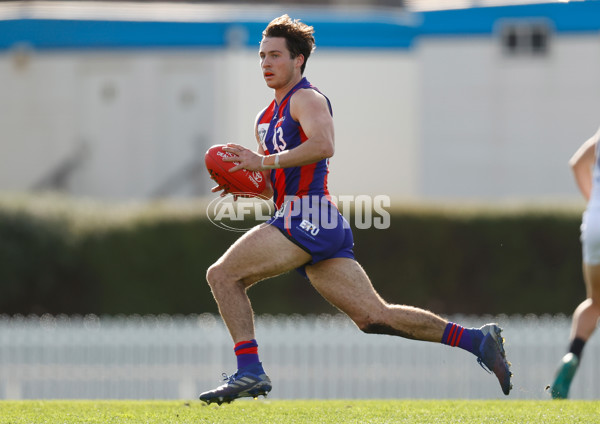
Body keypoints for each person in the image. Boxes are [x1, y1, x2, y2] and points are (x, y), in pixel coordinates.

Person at [199, 14, 512, 405]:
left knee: (223, 275)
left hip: (310, 215)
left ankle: (249, 371)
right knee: (373, 318)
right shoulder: (266, 118)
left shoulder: (306, 98)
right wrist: (249, 186)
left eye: (275, 55)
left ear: (299, 60)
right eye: (262, 55)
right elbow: (281, 180)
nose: (265, 63)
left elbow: (324, 145)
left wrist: (261, 163)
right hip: (305, 217)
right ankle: (478, 341)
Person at [550, 125, 600, 399]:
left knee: (595, 302)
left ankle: (572, 355)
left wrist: (594, 202)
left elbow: (577, 164)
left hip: (595, 222)